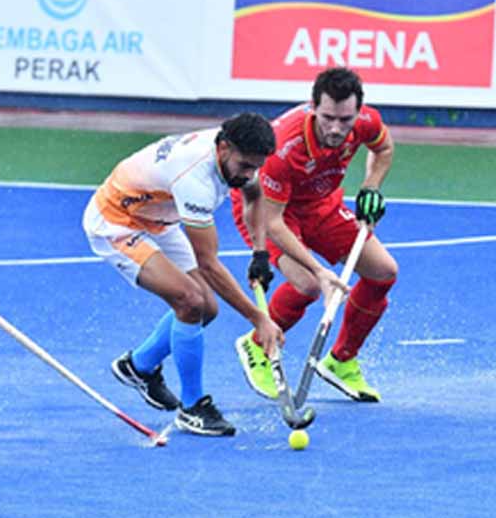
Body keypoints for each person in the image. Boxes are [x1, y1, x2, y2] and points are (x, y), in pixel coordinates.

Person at [82, 113, 284, 437]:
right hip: (117, 221)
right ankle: (193, 408)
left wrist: (260, 253)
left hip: (158, 218)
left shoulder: (238, 154)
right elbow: (209, 264)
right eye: (245, 166)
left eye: (255, 167)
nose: (249, 174)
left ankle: (138, 366)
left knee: (208, 308)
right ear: (224, 148)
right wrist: (259, 319)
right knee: (190, 301)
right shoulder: (195, 179)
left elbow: (254, 195)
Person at [230, 67, 398, 403]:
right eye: (327, 118)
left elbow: (384, 149)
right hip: (268, 210)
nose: (336, 128)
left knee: (383, 272)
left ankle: (341, 361)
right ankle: (257, 344)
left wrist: (370, 187)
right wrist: (320, 272)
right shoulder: (283, 148)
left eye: (345, 119)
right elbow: (273, 223)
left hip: (320, 203)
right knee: (306, 284)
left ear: (358, 111)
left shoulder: (366, 121)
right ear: (313, 107)